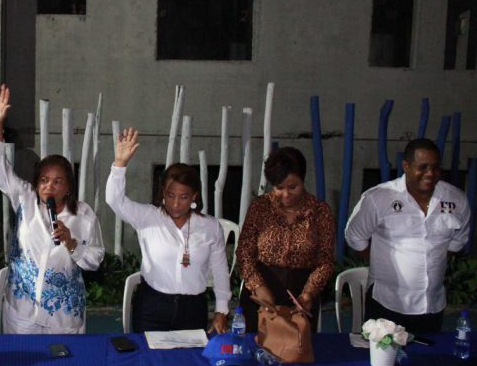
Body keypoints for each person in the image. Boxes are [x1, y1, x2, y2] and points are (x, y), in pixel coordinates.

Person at [0, 84, 104, 334]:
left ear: (68, 187)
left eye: (57, 181)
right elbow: (0, 171)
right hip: (22, 312)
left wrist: (72, 242)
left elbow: (94, 261)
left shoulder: (83, 215)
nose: (49, 186)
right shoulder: (25, 200)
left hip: (64, 317)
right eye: (43, 180)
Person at [106, 127, 231, 333]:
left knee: (190, 362)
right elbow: (114, 200)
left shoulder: (210, 226)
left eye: (183, 197)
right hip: (151, 307)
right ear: (163, 192)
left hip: (193, 309)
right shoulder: (147, 217)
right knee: (149, 361)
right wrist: (120, 164)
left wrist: (221, 311)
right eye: (171, 195)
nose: (175, 203)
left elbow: (219, 271)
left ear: (194, 197)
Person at [345, 138, 471, 334]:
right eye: (422, 167)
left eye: (436, 167)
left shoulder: (456, 199)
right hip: (387, 303)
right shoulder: (378, 198)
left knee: (427, 360)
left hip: (432, 305)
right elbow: (355, 237)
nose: (430, 173)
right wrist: (383, 264)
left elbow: (456, 243)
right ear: (406, 166)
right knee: (382, 362)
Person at [236, 147, 334, 333]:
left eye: (293, 187)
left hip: (301, 292)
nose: (286, 195)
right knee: (257, 345)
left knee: (296, 350)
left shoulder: (320, 212)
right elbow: (244, 252)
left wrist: (308, 293)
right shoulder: (261, 207)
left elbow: (325, 260)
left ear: (303, 180)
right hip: (262, 288)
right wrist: (258, 287)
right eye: (279, 188)